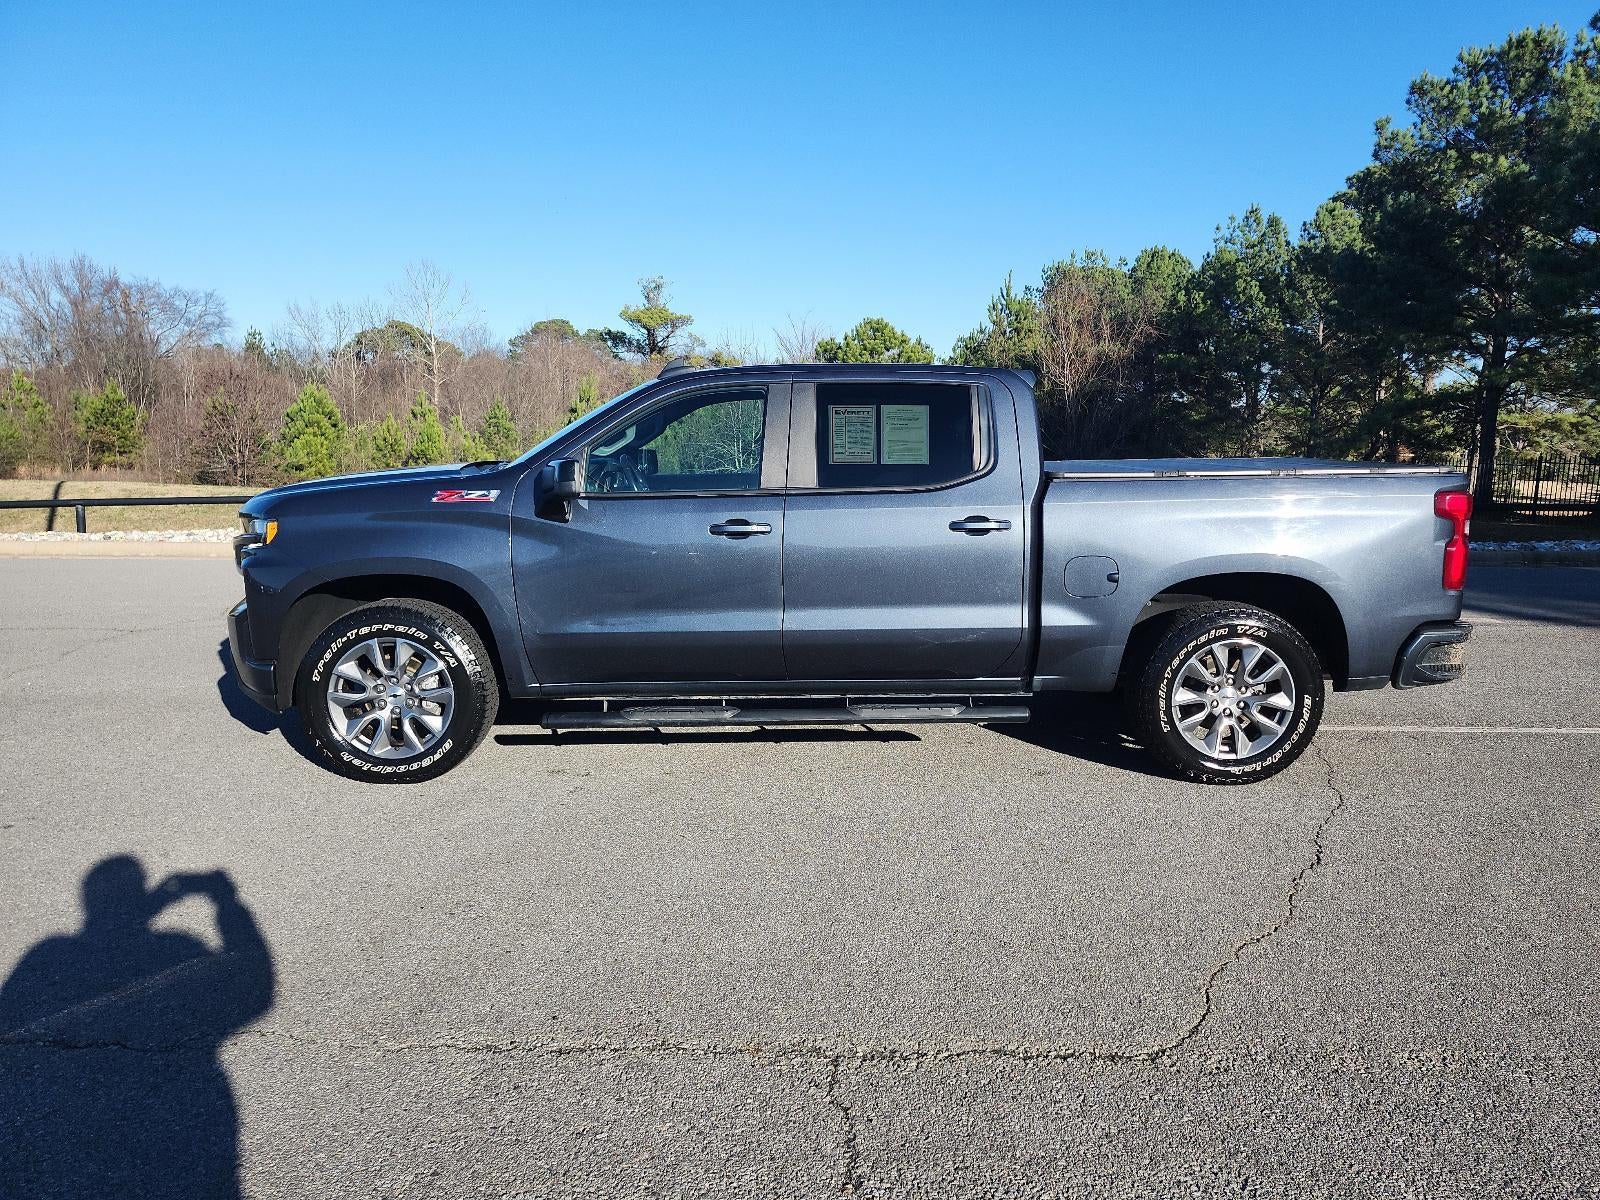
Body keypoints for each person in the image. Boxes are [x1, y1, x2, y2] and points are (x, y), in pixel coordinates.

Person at [0, 855, 274, 1199]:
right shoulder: (176, 948)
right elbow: (254, 986)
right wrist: (225, 901)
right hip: (180, 1116)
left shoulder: (48, 955)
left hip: (63, 1129)